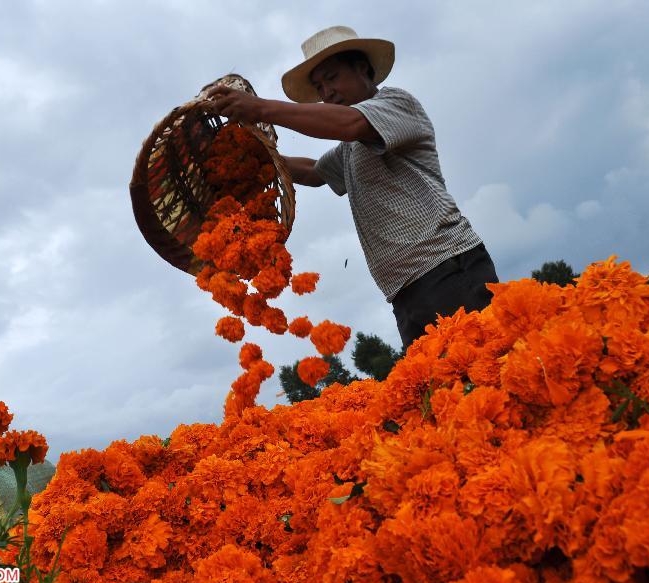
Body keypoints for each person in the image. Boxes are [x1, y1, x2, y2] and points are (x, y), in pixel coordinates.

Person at [208, 26, 498, 349]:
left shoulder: (396, 104)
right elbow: (315, 171)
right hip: (403, 292)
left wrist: (261, 108)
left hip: (447, 268)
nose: (326, 92)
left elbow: (349, 124)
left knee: (481, 376)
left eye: (332, 78)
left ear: (363, 69)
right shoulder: (351, 148)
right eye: (319, 87)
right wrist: (257, 163)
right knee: (436, 392)